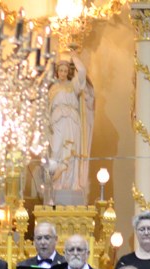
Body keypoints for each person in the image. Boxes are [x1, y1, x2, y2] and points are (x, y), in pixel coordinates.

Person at [47, 56, 94, 194]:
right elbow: (47, 109)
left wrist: (74, 56)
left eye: (65, 70)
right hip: (57, 120)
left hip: (71, 121)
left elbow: (82, 72)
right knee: (56, 150)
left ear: (68, 72)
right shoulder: (53, 88)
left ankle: (72, 183)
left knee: (72, 151)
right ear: (57, 72)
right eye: (60, 70)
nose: (62, 73)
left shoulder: (73, 85)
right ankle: (56, 181)